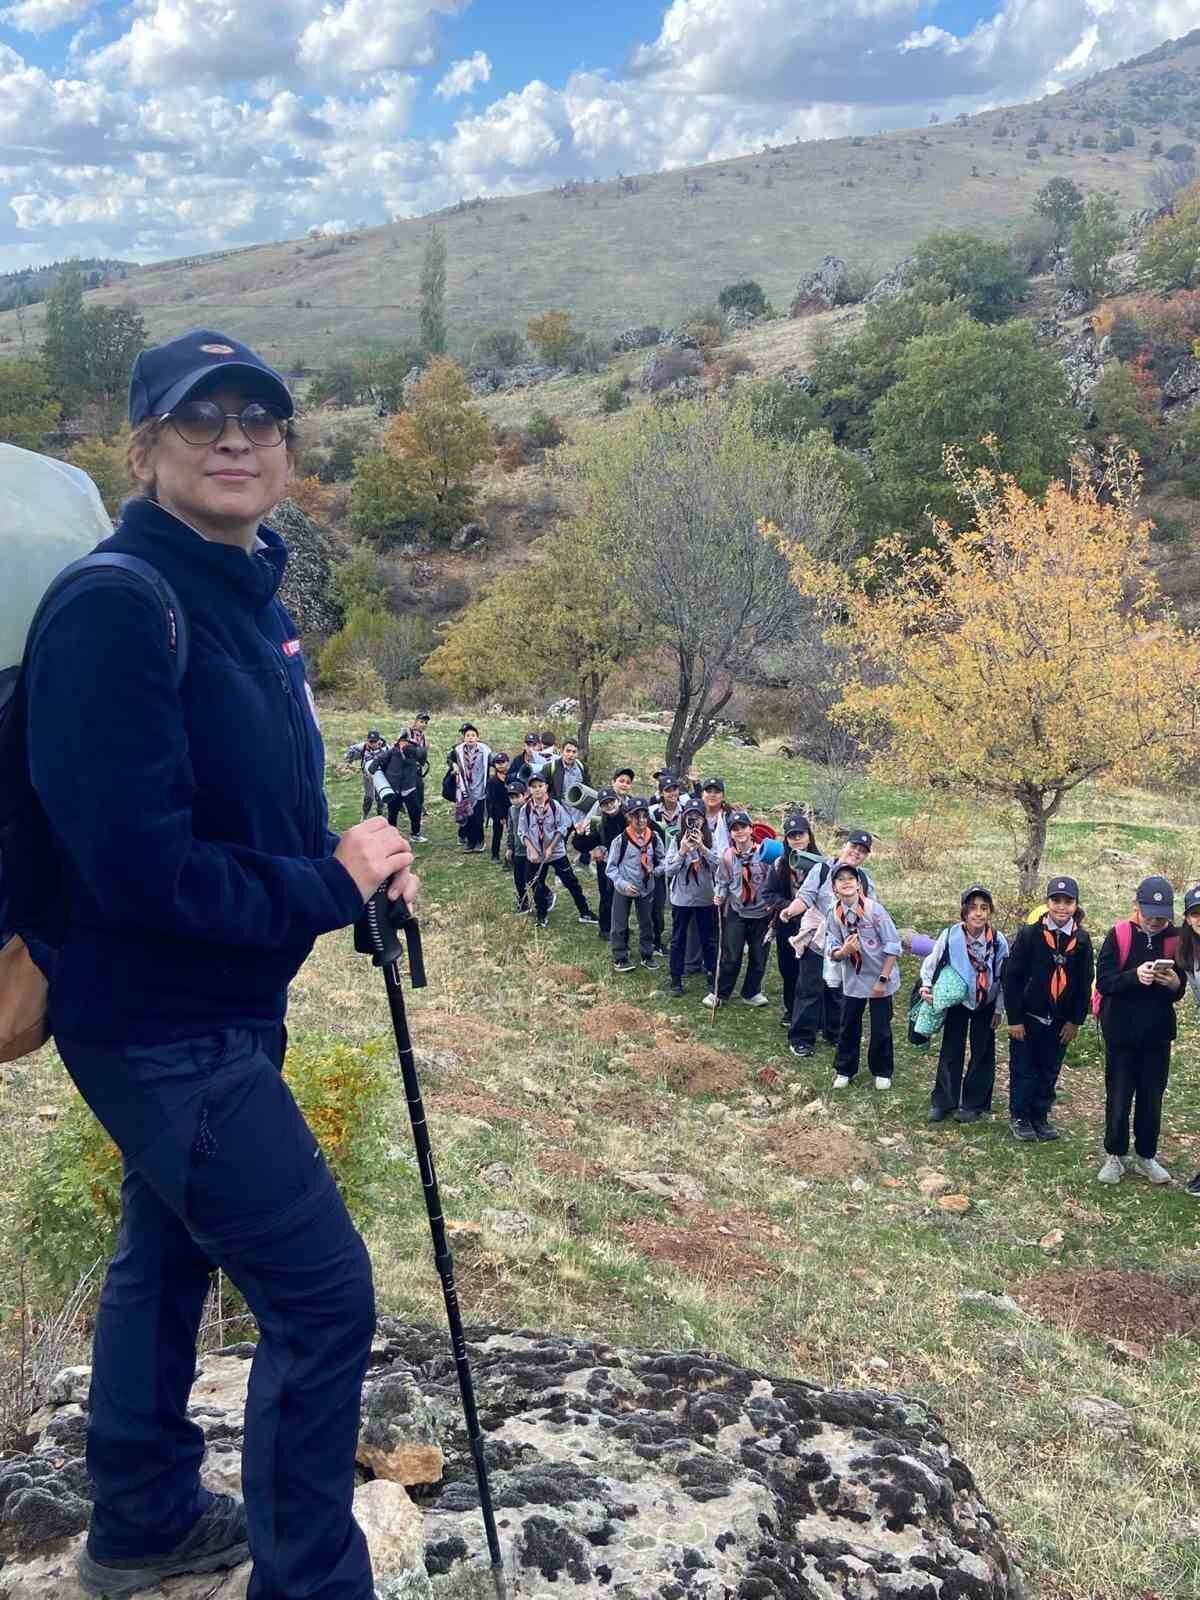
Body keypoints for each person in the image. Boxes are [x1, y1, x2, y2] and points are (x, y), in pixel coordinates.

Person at [24, 328, 418, 1600]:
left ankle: (143, 1519)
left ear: (289, 454)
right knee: (324, 1297)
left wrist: (352, 860)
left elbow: (246, 805)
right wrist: (326, 886)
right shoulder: (116, 607)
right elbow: (141, 872)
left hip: (221, 1007)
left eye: (260, 418)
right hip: (157, 1022)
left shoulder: (244, 593)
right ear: (144, 451)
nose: (235, 438)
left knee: (167, 1252)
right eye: (202, 419)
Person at [1095, 875, 1185, 1186]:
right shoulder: (1119, 934)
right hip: (1121, 1033)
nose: (1156, 921)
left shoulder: (1175, 938)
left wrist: (1174, 983)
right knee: (1119, 1096)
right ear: (1136, 905)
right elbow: (1105, 982)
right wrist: (1135, 976)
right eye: (1150, 915)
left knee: (1152, 1098)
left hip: (1158, 1035)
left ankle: (1147, 1155)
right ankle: (1115, 1154)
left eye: (1162, 916)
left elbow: (1179, 988)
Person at [1004, 875, 1094, 1143]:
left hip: (1060, 1020)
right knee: (1024, 1067)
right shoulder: (1030, 934)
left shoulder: (1081, 940)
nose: (1062, 907)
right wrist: (1015, 1018)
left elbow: (1084, 983)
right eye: (1056, 901)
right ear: (1047, 902)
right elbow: (1013, 978)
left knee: (1049, 1068)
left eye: (1068, 902)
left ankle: (1040, 1114)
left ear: (1076, 905)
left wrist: (1075, 1021)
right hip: (1029, 1016)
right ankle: (1020, 1115)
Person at [921, 885, 1009, 1124]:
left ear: (989, 912)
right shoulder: (951, 935)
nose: (978, 913)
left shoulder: (998, 940)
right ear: (964, 912)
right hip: (957, 1000)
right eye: (973, 908)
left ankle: (974, 1103)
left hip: (986, 1002)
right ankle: (944, 1101)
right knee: (951, 1048)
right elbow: (933, 961)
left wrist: (999, 1008)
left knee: (982, 1051)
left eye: (984, 908)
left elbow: (1004, 977)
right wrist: (926, 986)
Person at [795, 829, 877, 1052]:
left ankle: (834, 1033)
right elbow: (805, 896)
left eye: (862, 851)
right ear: (844, 846)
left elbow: (872, 911)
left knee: (839, 990)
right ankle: (802, 1039)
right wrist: (789, 912)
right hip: (817, 937)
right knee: (810, 989)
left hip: (846, 941)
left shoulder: (865, 880)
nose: (856, 853)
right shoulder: (822, 870)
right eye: (853, 847)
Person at [824, 862, 901, 1089]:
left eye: (851, 878)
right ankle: (844, 1069)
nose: (846, 882)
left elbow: (893, 945)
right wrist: (845, 951)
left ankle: (882, 1070)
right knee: (849, 1024)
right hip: (854, 978)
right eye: (841, 879)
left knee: (880, 1026)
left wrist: (883, 980)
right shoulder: (834, 914)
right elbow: (832, 948)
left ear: (859, 884)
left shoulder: (874, 911)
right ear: (834, 887)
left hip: (880, 975)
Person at [762, 814, 823, 1051]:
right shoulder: (780, 864)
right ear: (786, 839)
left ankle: (816, 1017)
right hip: (787, 923)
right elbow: (768, 894)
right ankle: (791, 1009)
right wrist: (790, 906)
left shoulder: (822, 864)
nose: (797, 839)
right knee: (788, 969)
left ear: (809, 836)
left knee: (812, 974)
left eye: (801, 834)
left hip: (814, 927)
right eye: (792, 836)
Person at [708, 811, 772, 1009]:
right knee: (731, 955)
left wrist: (773, 902)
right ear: (730, 834)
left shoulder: (765, 853)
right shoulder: (727, 857)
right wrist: (719, 894)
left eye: (743, 827)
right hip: (737, 911)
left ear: (751, 829)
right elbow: (722, 881)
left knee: (759, 955)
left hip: (762, 913)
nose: (739, 832)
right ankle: (720, 993)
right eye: (734, 829)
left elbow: (774, 879)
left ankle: (751, 992)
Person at [517, 772, 597, 930]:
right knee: (536, 885)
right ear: (529, 789)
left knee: (571, 882)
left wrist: (551, 847)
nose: (537, 789)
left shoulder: (555, 806)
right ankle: (541, 915)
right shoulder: (525, 809)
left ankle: (585, 912)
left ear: (546, 787)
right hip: (536, 855)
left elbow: (562, 828)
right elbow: (522, 832)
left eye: (540, 786)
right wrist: (531, 849)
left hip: (556, 853)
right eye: (534, 787)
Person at [664, 800, 719, 998]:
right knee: (678, 939)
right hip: (682, 898)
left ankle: (712, 975)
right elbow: (669, 870)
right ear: (684, 818)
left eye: (698, 817)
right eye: (690, 816)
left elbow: (719, 866)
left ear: (704, 819)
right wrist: (682, 851)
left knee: (709, 939)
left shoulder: (711, 839)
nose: (694, 821)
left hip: (705, 898)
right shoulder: (677, 839)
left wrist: (702, 848)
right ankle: (676, 978)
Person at [606, 796, 665, 973]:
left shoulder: (654, 838)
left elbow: (663, 861)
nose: (641, 820)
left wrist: (656, 871)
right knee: (619, 923)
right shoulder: (620, 840)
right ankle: (620, 956)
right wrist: (622, 884)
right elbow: (611, 868)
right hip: (625, 888)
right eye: (636, 816)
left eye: (644, 816)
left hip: (646, 887)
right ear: (629, 817)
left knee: (647, 922)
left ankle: (647, 954)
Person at [574, 787, 626, 941]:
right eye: (605, 804)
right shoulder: (599, 823)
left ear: (618, 801)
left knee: (623, 898)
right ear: (601, 807)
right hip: (606, 864)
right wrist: (579, 835)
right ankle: (605, 928)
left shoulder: (628, 817)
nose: (609, 806)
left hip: (626, 864)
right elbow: (584, 845)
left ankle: (621, 927)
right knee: (607, 897)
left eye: (611, 801)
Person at [648, 774, 685, 955]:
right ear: (661, 793)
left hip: (680, 860)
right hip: (659, 861)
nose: (672, 794)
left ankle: (678, 938)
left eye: (674, 789)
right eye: (667, 790)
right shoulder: (652, 811)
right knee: (657, 902)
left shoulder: (685, 809)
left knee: (679, 902)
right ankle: (656, 940)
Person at [368, 731, 424, 839]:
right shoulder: (392, 751)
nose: (403, 744)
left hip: (409, 788)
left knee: (415, 812)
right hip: (395, 789)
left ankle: (415, 834)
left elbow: (422, 758)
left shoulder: (413, 751)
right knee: (392, 813)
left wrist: (416, 751)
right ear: (398, 742)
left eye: (406, 741)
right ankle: (392, 835)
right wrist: (372, 772)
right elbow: (378, 760)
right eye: (401, 741)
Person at [450, 723, 491, 852]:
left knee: (478, 817)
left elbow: (494, 762)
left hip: (479, 789)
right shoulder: (458, 750)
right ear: (464, 738)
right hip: (465, 789)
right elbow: (450, 759)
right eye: (468, 735)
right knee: (468, 816)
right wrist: (453, 765)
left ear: (477, 738)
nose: (470, 738)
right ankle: (470, 841)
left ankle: (480, 841)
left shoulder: (485, 751)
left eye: (473, 735)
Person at [400, 711, 431, 841]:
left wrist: (424, 752)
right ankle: (393, 833)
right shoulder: (406, 732)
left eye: (425, 722)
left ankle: (415, 833)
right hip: (405, 772)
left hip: (417, 772)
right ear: (415, 721)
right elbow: (400, 748)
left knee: (419, 800)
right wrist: (416, 751)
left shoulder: (423, 737)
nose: (423, 724)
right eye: (421, 721)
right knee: (404, 802)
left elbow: (422, 756)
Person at [345, 729, 388, 820]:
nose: (372, 744)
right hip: (367, 777)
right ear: (367, 740)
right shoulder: (362, 747)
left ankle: (380, 814)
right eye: (370, 741)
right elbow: (351, 752)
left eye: (375, 741)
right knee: (369, 797)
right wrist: (349, 762)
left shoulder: (386, 748)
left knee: (380, 797)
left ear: (379, 741)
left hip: (381, 776)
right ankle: (364, 816)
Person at [503, 777, 531, 912]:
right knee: (518, 880)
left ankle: (546, 897)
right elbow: (510, 830)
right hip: (518, 851)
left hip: (530, 851)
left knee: (531, 878)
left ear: (524, 795)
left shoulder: (530, 809)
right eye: (511, 798)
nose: (514, 800)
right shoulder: (511, 810)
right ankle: (523, 903)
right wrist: (509, 847)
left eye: (517, 797)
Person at [485, 752, 512, 864]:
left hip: (511, 808)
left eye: (503, 762)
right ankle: (495, 854)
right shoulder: (492, 781)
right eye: (498, 763)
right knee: (497, 833)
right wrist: (499, 815)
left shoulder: (512, 777)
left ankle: (512, 854)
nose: (500, 765)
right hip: (498, 811)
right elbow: (492, 800)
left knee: (513, 833)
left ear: (508, 763)